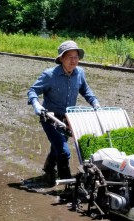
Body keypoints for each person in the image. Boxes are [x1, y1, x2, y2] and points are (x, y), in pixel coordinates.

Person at [27, 40, 100, 186]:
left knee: (57, 147)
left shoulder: (79, 73)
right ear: (61, 58)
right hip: (50, 118)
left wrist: (95, 103)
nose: (74, 61)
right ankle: (67, 186)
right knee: (64, 151)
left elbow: (85, 90)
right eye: (70, 57)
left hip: (67, 119)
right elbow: (33, 90)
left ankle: (48, 171)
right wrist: (36, 104)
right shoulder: (49, 75)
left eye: (76, 57)